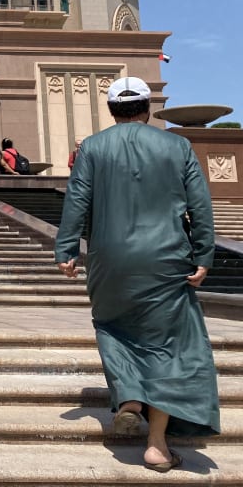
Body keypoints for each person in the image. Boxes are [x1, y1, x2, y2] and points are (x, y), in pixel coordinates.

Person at [55, 76, 220, 473]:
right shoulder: (178, 146)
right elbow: (200, 203)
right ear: (147, 109)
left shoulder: (92, 148)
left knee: (112, 327)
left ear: (112, 111)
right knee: (167, 346)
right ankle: (158, 446)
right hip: (165, 258)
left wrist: (66, 249)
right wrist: (204, 254)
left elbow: (77, 200)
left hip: (109, 259)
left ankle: (129, 398)